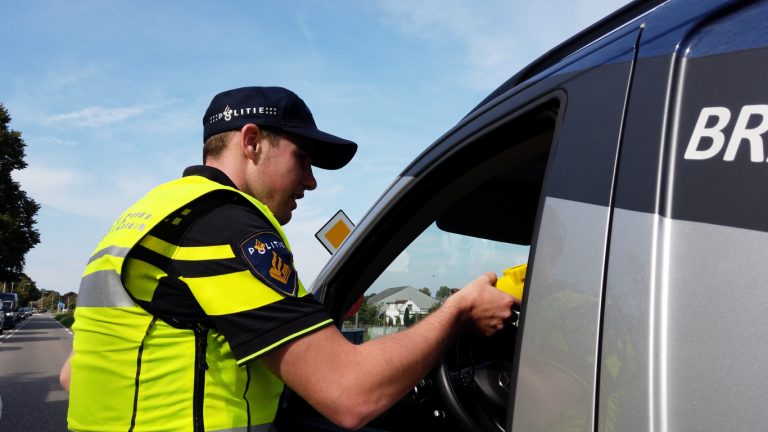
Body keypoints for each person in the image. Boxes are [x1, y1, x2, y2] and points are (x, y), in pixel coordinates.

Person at [61, 86, 519, 431]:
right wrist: (458, 311)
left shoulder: (148, 216)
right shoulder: (225, 226)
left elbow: (72, 375)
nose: (311, 181)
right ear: (252, 141)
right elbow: (350, 394)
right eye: (302, 158)